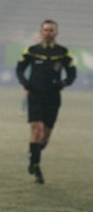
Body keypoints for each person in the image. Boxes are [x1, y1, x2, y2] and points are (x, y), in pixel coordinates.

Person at [16, 19, 76, 184]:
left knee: (45, 136)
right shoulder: (32, 50)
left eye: (51, 30)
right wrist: (24, 81)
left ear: (56, 32)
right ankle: (36, 167)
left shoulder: (63, 52)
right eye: (46, 30)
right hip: (35, 96)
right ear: (41, 32)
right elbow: (20, 68)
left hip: (53, 98)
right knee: (36, 130)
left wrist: (64, 83)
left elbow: (72, 72)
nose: (48, 33)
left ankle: (33, 154)